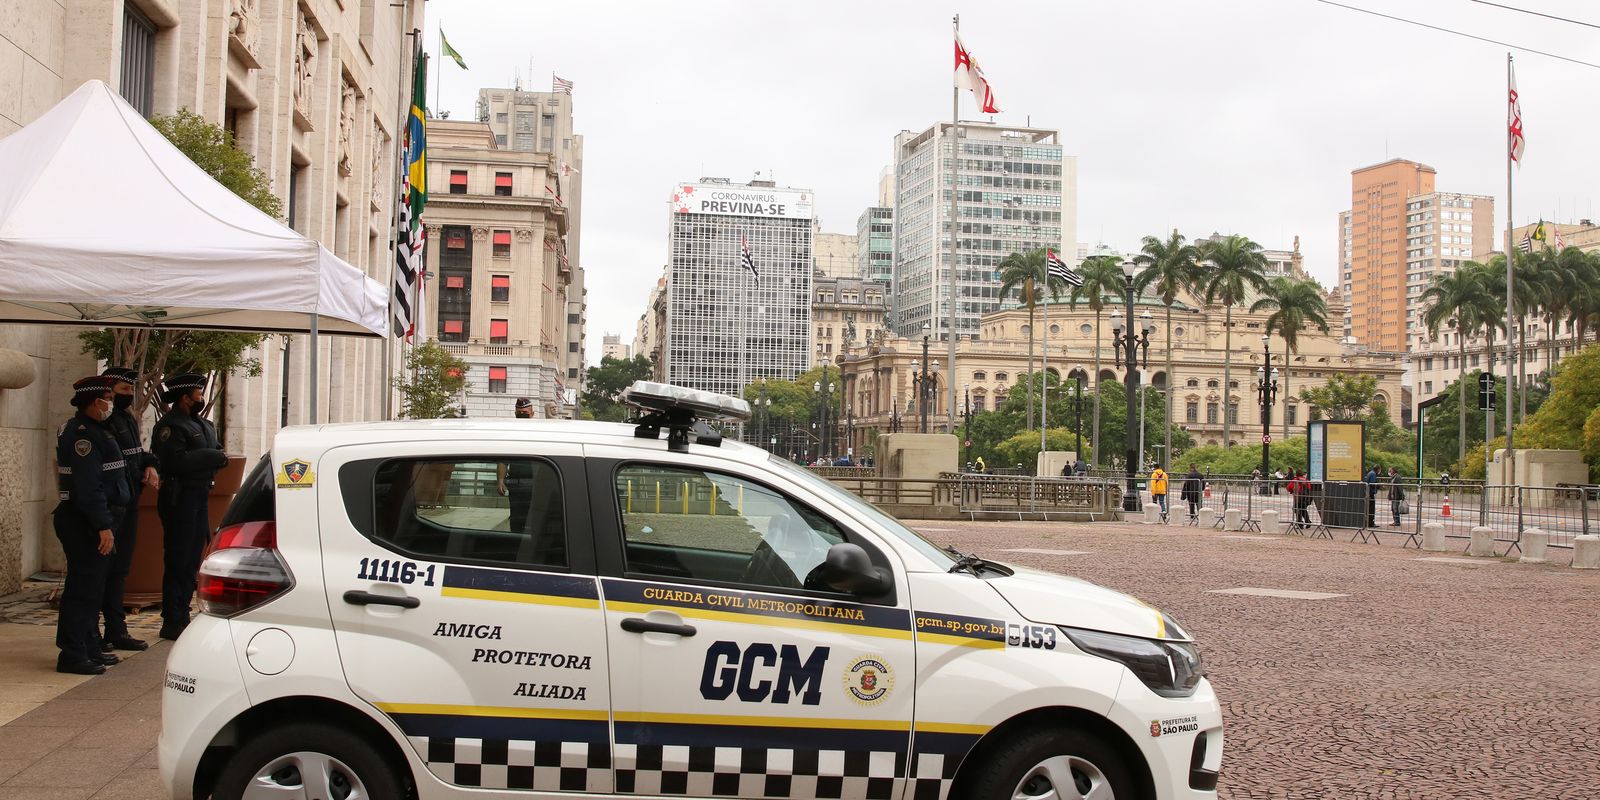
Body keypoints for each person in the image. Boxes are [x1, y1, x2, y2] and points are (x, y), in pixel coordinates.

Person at [54, 375, 131, 674]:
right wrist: (103, 525)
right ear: (94, 402)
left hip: (95, 518)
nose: (110, 403)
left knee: (93, 586)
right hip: (84, 520)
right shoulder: (83, 436)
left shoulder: (99, 430)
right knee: (82, 588)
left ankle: (88, 646)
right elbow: (88, 487)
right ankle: (72, 653)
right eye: (107, 399)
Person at [153, 373, 229, 641]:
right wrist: (210, 456)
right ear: (185, 398)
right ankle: (172, 618)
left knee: (193, 559)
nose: (201, 397)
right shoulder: (170, 426)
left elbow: (220, 454)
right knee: (178, 558)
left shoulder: (204, 425)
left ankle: (183, 611)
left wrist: (212, 457)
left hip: (199, 495)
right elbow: (175, 462)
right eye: (197, 394)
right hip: (179, 497)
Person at [97, 367, 158, 653]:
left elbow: (137, 453)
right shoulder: (102, 424)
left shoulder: (126, 419)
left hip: (130, 500)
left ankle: (116, 629)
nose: (129, 395)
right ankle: (90, 632)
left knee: (120, 570)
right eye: (123, 390)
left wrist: (150, 464)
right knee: (101, 571)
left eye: (130, 389)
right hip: (110, 505)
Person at [497, 398, 536, 532]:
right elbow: (503, 459)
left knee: (536, 518)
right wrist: (500, 480)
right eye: (519, 413)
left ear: (532, 414)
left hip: (534, 484)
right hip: (517, 483)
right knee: (517, 519)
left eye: (525, 413)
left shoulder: (539, 433)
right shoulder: (510, 434)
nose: (522, 416)